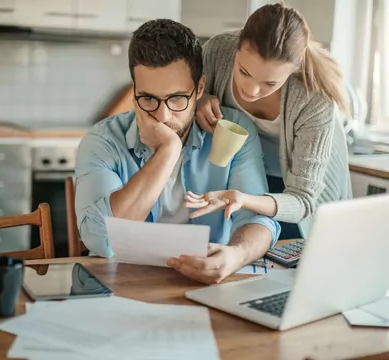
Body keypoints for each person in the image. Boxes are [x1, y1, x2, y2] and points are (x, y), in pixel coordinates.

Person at [74, 19, 280, 284]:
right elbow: (101, 240)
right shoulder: (103, 140)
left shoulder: (233, 131)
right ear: (135, 89)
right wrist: (168, 151)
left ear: (200, 88)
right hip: (123, 282)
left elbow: (257, 220)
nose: (163, 115)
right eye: (148, 98)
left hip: (206, 282)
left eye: (177, 98)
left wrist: (236, 255)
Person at [187, 3, 352, 240]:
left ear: (293, 71)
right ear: (236, 49)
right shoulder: (218, 51)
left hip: (297, 188)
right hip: (248, 171)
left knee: (289, 256)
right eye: (244, 72)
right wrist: (198, 99)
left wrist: (245, 199)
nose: (251, 90)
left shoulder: (313, 99)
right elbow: (183, 94)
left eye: (270, 83)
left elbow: (302, 200)